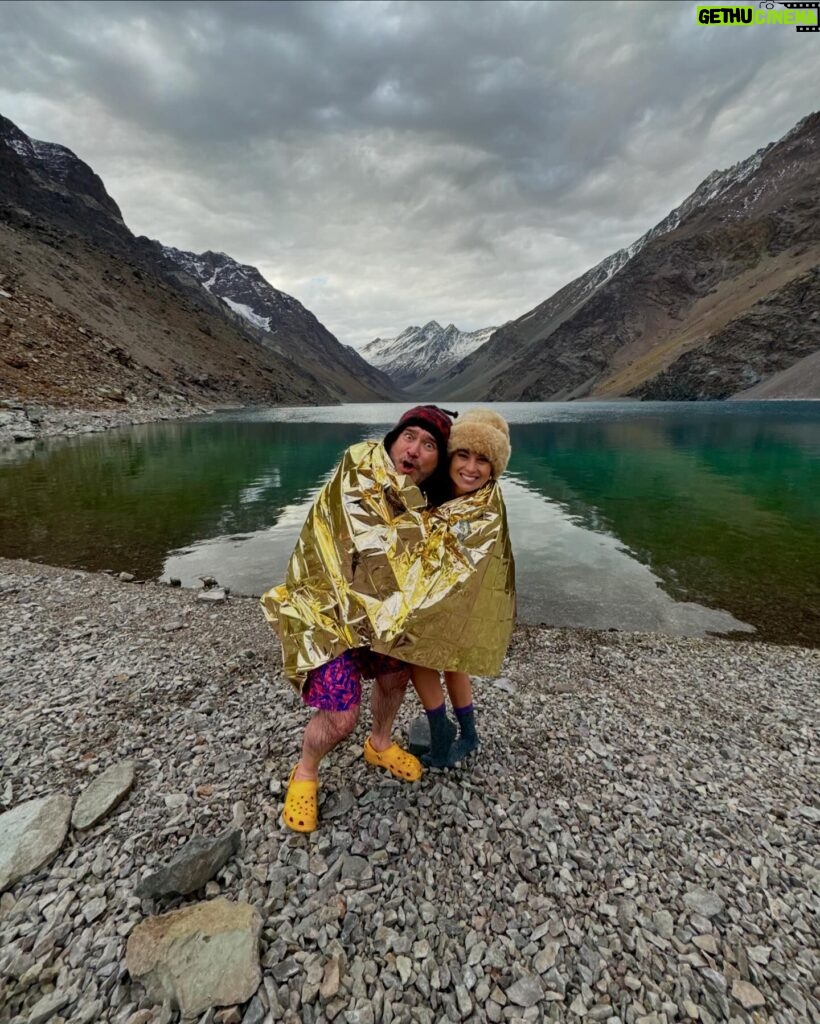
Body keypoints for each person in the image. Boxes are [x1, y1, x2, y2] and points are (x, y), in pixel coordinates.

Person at [261, 405, 455, 833]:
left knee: (395, 677)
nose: (415, 450)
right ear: (392, 440)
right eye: (410, 436)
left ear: (437, 462)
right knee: (340, 717)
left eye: (429, 445)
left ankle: (380, 743)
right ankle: (307, 770)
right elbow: (374, 545)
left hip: (378, 618)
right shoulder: (358, 471)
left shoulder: (428, 507)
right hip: (326, 615)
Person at [409, 409, 513, 767]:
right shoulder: (429, 490)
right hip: (430, 593)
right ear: (450, 456)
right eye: (463, 455)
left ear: (494, 468)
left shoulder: (487, 505)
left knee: (446, 658)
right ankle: (444, 729)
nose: (471, 468)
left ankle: (465, 733)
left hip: (464, 596)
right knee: (425, 655)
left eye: (483, 460)